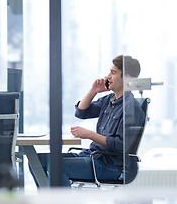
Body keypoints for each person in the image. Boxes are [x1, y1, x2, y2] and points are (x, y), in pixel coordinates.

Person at [31, 55, 145, 187]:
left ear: (126, 78)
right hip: (93, 156)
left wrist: (89, 134)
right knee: (36, 162)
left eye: (113, 73)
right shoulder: (109, 100)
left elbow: (120, 145)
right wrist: (94, 91)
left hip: (110, 165)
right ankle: (48, 203)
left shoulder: (131, 107)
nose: (108, 76)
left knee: (57, 167)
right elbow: (81, 112)